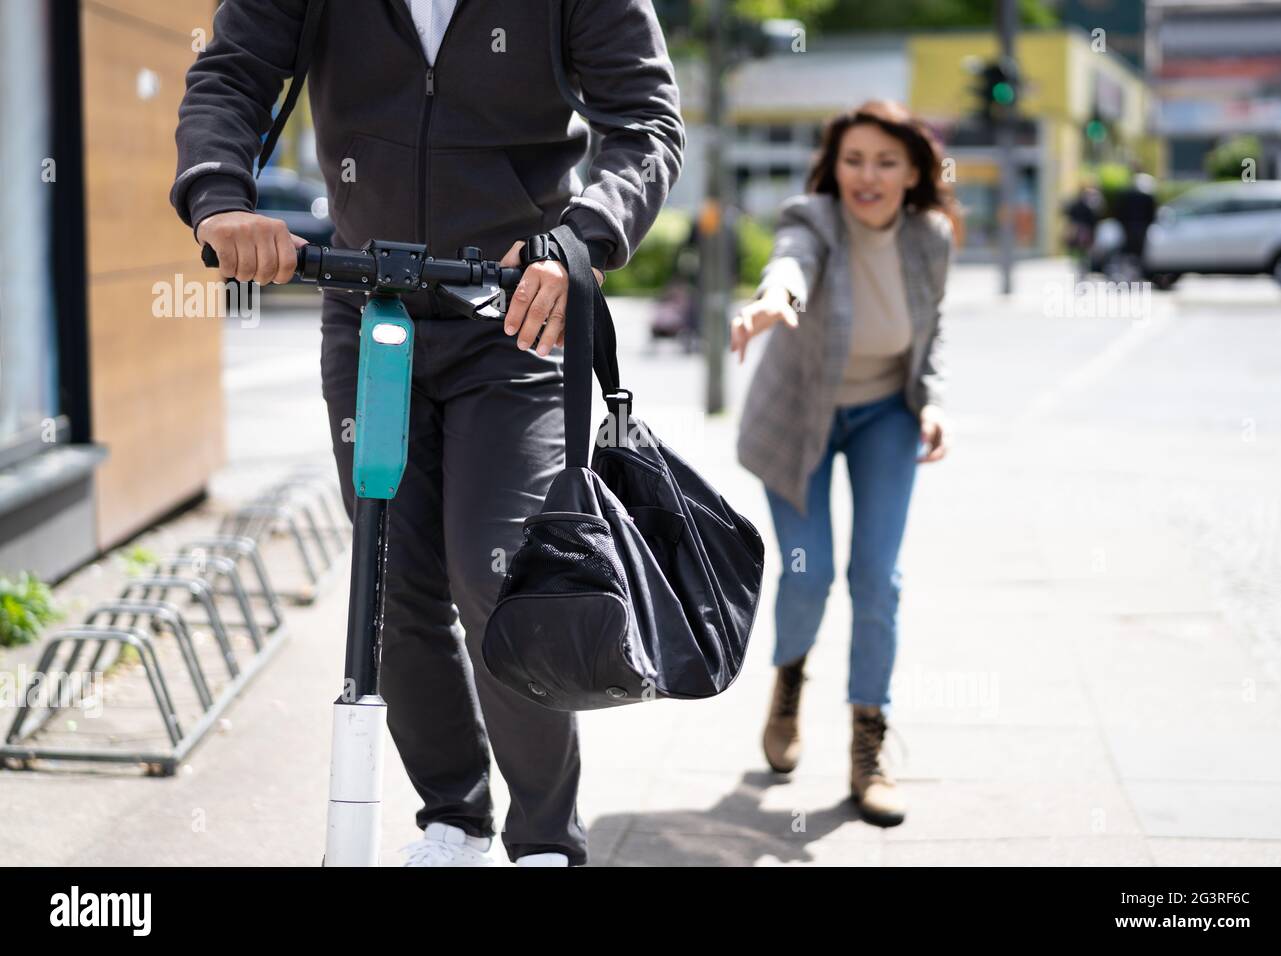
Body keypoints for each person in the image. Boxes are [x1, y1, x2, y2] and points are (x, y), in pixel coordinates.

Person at [169, 0, 684, 866]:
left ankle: (545, 836)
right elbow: (233, 74)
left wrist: (581, 238)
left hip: (518, 310)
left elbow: (645, 124)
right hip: (369, 303)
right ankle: (454, 816)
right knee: (392, 583)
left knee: (503, 576)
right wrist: (221, 196)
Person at [729, 100, 958, 828]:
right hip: (800, 418)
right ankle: (790, 678)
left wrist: (934, 400)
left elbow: (935, 327)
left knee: (877, 579)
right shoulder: (813, 217)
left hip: (886, 413)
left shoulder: (932, 236)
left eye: (887, 162)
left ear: (914, 170)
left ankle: (869, 742)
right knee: (808, 571)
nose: (868, 176)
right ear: (835, 166)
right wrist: (772, 301)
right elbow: (791, 263)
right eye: (854, 159)